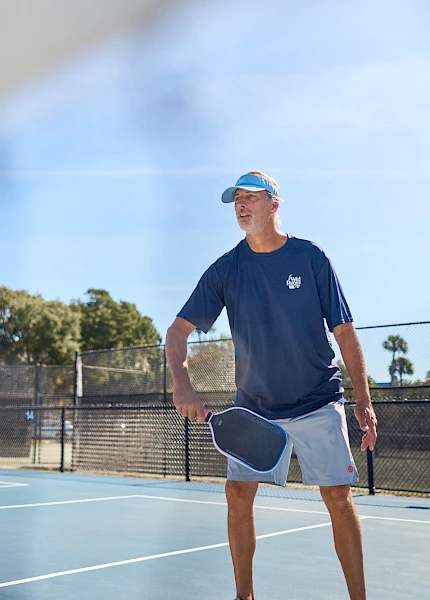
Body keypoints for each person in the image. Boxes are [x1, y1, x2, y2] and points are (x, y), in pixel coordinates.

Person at [166, 172, 378, 600]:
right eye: (236, 200)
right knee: (237, 493)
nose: (241, 205)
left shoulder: (310, 257)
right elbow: (177, 331)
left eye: (251, 198)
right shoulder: (226, 269)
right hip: (257, 408)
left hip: (318, 398)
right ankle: (244, 596)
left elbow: (345, 333)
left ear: (274, 205)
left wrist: (364, 400)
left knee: (338, 498)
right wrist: (182, 384)